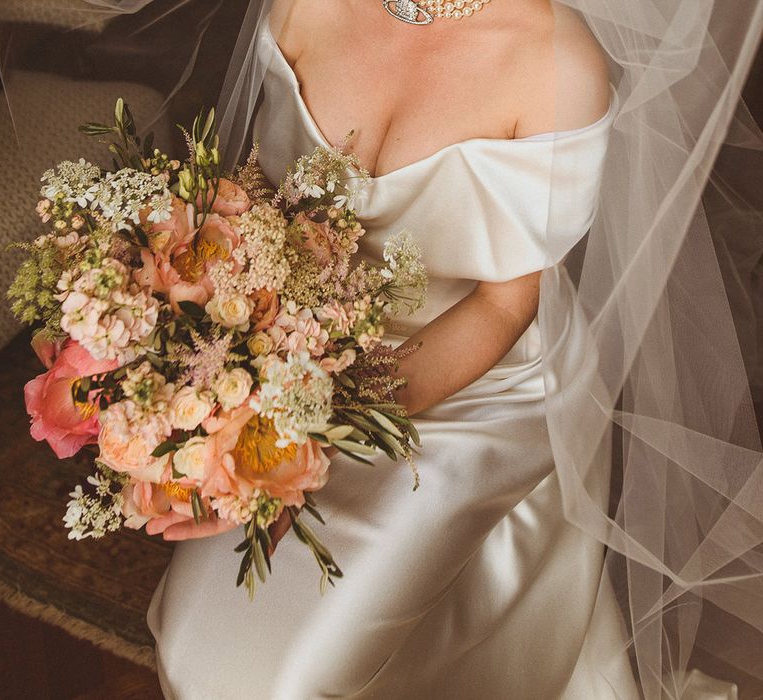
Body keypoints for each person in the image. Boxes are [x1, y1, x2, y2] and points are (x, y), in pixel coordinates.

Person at [145, 1, 640, 697]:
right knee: (193, 642)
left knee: (293, 680)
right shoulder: (304, 7)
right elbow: (254, 203)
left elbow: (503, 306)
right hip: (289, 363)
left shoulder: (557, 63)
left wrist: (318, 427)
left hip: (478, 391)